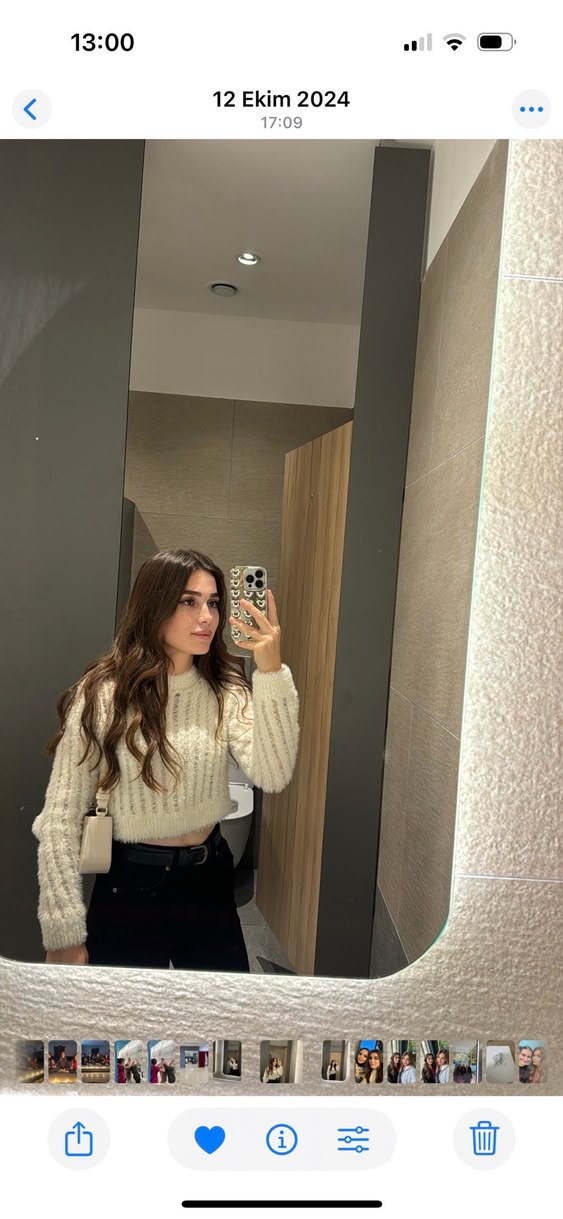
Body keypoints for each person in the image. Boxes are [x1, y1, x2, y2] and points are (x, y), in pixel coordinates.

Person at [32, 549, 299, 971]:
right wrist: (63, 930)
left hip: (209, 880)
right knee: (127, 1014)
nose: (207, 617)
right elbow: (60, 817)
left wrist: (270, 672)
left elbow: (275, 773)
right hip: (130, 886)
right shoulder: (104, 694)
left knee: (219, 1011)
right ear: (154, 605)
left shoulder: (225, 690)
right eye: (189, 601)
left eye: (213, 603)